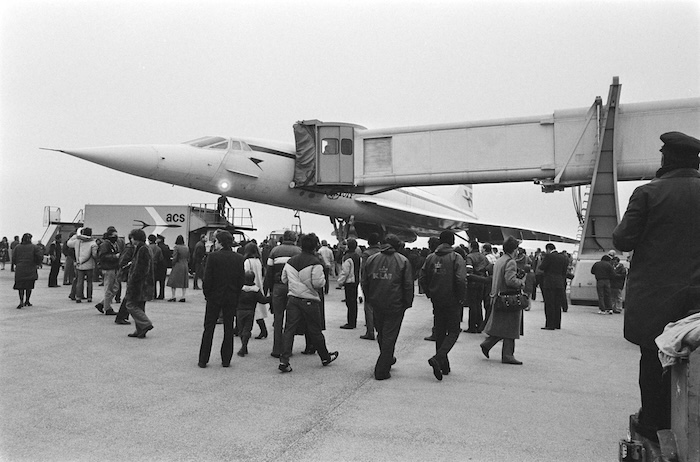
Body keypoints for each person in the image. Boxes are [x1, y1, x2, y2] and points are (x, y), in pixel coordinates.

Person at [612, 131, 700, 443]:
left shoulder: (647, 192)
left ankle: (652, 421)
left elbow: (623, 239)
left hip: (656, 298)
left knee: (652, 359)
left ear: (667, 159)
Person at [278, 233, 339, 373]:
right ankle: (325, 356)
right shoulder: (315, 262)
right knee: (315, 330)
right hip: (310, 300)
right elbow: (318, 283)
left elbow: (284, 279)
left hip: (293, 298)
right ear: (315, 246)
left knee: (289, 330)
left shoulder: (291, 261)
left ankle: (284, 360)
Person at [362, 234, 414, 380]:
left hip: (376, 302)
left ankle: (387, 358)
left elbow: (364, 281)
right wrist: (407, 302)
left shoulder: (372, 259)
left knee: (382, 334)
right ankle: (382, 369)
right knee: (390, 336)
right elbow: (408, 284)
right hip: (395, 304)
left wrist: (369, 299)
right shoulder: (402, 261)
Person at [420, 230, 466, 380]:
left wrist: (429, 292)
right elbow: (460, 279)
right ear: (452, 241)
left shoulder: (430, 257)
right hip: (452, 299)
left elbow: (422, 277)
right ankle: (438, 358)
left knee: (440, 331)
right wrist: (461, 297)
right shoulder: (456, 258)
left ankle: (444, 366)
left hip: (437, 299)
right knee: (453, 331)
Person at [198, 230, 245, 367]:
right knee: (228, 328)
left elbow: (207, 279)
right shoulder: (239, 258)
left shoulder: (212, 257)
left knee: (209, 328)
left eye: (216, 241)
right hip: (231, 297)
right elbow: (240, 279)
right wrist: (235, 294)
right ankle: (226, 360)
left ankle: (203, 359)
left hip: (214, 297)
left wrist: (208, 294)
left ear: (220, 242)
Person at [479, 236, 526, 365]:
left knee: (502, 326)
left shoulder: (500, 260)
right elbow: (510, 280)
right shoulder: (511, 262)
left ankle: (487, 344)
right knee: (511, 327)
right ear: (514, 249)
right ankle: (508, 355)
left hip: (497, 296)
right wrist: (521, 282)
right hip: (508, 298)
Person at [265, 230, 300, 358]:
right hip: (293, 287)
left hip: (278, 287)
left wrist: (269, 290)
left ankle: (276, 349)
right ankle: (287, 350)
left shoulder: (274, 251)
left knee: (278, 318)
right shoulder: (298, 251)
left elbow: (268, 272)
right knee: (291, 320)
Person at [124, 229, 155, 338]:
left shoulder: (142, 249)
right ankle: (140, 330)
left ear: (136, 238)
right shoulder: (144, 248)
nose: (131, 240)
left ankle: (145, 324)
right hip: (145, 284)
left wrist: (133, 280)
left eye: (132, 238)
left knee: (130, 304)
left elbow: (141, 268)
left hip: (140, 284)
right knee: (139, 306)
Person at [236, 270, 270, 357]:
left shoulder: (239, 288)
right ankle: (244, 347)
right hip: (250, 312)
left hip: (239, 311)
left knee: (240, 330)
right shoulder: (256, 290)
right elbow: (262, 300)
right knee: (247, 330)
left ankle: (244, 346)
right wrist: (271, 297)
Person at [537, 243, 568, 330]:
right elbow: (564, 271)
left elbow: (542, 267)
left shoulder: (549, 256)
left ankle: (550, 324)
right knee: (557, 304)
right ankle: (557, 324)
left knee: (549, 303)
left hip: (549, 283)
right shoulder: (563, 257)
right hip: (559, 283)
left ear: (548, 249)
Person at [243, 242, 269, 339]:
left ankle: (262, 330)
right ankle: (263, 330)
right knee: (258, 310)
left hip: (250, 287)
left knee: (248, 310)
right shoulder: (258, 261)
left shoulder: (247, 262)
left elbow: (245, 274)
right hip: (258, 285)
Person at [359, 233, 382, 340]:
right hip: (382, 282)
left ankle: (370, 331)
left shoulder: (366, 254)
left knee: (368, 307)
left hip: (370, 283)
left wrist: (363, 284)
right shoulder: (382, 252)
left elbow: (364, 270)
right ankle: (380, 330)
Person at [94, 228, 121, 316]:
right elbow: (102, 256)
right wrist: (115, 256)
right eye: (114, 235)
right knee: (109, 288)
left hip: (113, 267)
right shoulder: (105, 245)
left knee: (115, 287)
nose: (116, 237)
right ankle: (107, 308)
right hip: (108, 268)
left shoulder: (113, 244)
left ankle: (102, 304)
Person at [68, 228, 98, 304]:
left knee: (79, 281)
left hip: (79, 264)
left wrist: (76, 236)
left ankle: (78, 297)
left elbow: (69, 243)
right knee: (89, 282)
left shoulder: (77, 241)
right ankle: (89, 297)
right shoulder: (93, 243)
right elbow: (94, 255)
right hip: (89, 265)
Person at [12, 233, 43, 308]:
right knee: (29, 286)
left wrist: (18, 264)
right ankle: (27, 300)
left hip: (20, 269)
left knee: (20, 286)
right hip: (31, 268)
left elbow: (14, 258)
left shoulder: (17, 247)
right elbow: (39, 256)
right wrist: (37, 263)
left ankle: (21, 301)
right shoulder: (34, 247)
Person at [465, 240, 489, 333]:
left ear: (471, 246)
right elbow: (488, 268)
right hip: (482, 283)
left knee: (472, 305)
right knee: (479, 304)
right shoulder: (483, 257)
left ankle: (472, 327)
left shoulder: (470, 257)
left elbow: (469, 270)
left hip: (473, 282)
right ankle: (479, 325)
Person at [337, 238, 360, 329]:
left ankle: (350, 323)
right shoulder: (357, 256)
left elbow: (345, 271)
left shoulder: (347, 257)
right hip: (356, 280)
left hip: (349, 282)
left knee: (349, 303)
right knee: (353, 302)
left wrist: (340, 281)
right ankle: (353, 321)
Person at [166, 235, 189, 302]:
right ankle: (183, 296)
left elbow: (175, 257)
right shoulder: (186, 247)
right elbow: (188, 257)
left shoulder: (176, 247)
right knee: (184, 281)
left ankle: (173, 296)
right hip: (185, 265)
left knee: (173, 281)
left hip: (178, 265)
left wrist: (172, 263)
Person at [146, 235, 163, 299]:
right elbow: (161, 258)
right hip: (155, 265)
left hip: (148, 264)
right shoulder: (158, 248)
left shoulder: (147, 247)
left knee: (148, 281)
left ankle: (150, 295)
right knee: (154, 280)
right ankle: (154, 294)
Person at [154, 234, 170, 299]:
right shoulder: (166, 247)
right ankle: (162, 295)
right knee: (162, 281)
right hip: (164, 265)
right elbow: (168, 256)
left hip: (158, 265)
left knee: (155, 281)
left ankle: (154, 294)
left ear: (160, 240)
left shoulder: (158, 247)